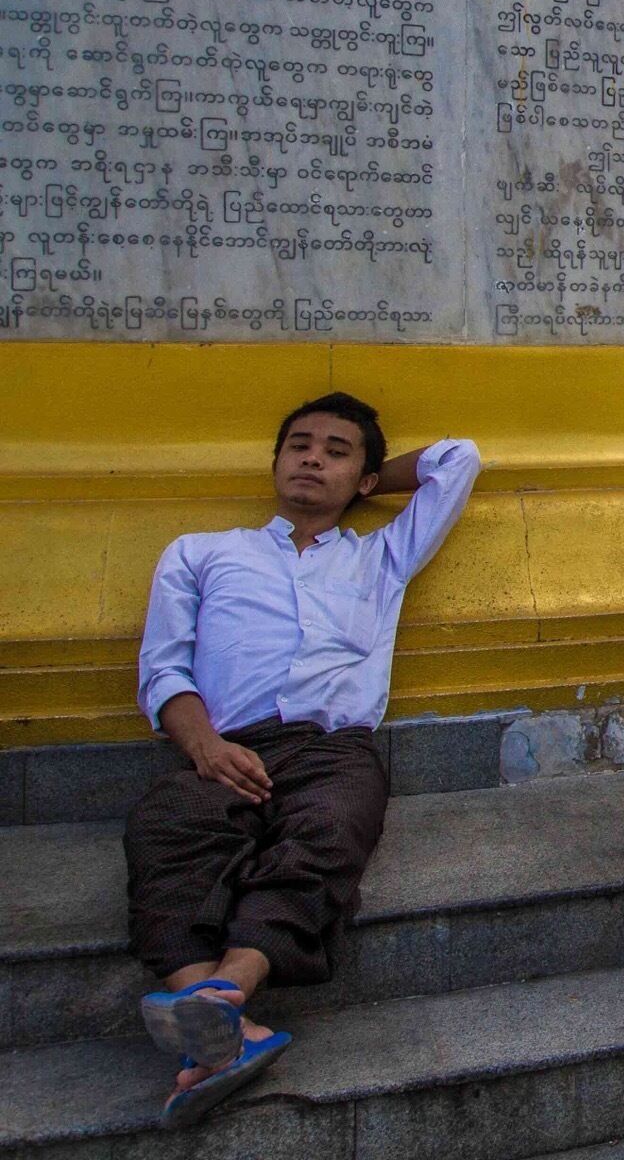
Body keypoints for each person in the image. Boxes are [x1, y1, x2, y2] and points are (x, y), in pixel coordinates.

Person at [125, 394, 481, 1126]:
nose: (312, 457)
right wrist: (205, 746)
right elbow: (165, 670)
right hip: (221, 744)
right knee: (166, 829)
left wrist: (377, 476)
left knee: (329, 830)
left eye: (336, 450)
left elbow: (458, 459)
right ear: (276, 463)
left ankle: (224, 994)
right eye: (299, 445)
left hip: (331, 749)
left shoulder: (381, 556)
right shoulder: (200, 552)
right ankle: (219, 1018)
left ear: (363, 480)